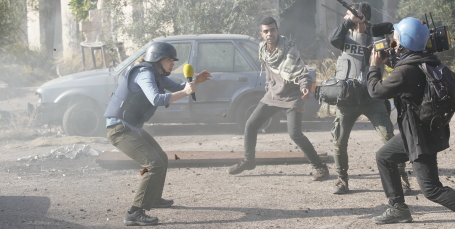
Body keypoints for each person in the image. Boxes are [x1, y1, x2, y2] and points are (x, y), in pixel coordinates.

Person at [366, 17, 455, 228]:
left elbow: (376, 91)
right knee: (384, 156)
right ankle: (398, 208)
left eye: (395, 39)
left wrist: (374, 67)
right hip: (422, 130)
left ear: (403, 43)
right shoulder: (426, 60)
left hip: (419, 136)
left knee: (431, 189)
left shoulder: (405, 71)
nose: (391, 43)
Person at [104, 41, 211, 226]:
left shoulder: (158, 74)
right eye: (169, 60)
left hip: (131, 127)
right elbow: (156, 99)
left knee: (161, 158)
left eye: (173, 60)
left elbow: (179, 88)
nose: (173, 63)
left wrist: (195, 82)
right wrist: (186, 91)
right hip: (119, 129)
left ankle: (152, 198)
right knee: (153, 164)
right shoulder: (144, 73)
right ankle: (134, 212)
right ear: (157, 59)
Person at [228, 17, 329, 181]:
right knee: (251, 125)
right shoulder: (263, 50)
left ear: (277, 31)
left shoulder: (290, 50)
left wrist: (304, 87)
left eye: (272, 30)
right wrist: (269, 89)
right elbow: (269, 73)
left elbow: (303, 73)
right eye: (266, 31)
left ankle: (320, 167)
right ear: (261, 34)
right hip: (273, 95)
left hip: (293, 96)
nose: (270, 34)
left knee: (295, 134)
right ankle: (249, 160)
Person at [328, 2, 410, 195]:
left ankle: (402, 177)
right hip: (347, 98)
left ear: (363, 17)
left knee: (389, 137)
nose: (348, 17)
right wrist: (349, 21)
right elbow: (333, 39)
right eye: (348, 15)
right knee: (339, 140)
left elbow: (392, 63)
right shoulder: (344, 37)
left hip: (372, 96)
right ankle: (342, 179)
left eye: (353, 15)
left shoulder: (378, 39)